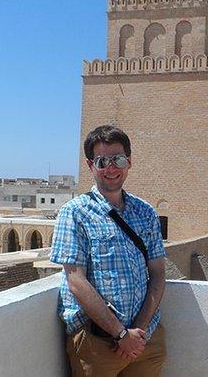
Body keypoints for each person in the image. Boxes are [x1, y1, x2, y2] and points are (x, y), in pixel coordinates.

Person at [50, 125, 166, 376]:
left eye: (118, 159)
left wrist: (137, 333)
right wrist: (121, 334)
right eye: (102, 161)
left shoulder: (145, 212)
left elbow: (157, 274)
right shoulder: (75, 213)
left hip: (145, 340)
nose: (111, 168)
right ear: (91, 166)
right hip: (97, 344)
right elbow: (76, 281)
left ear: (129, 162)